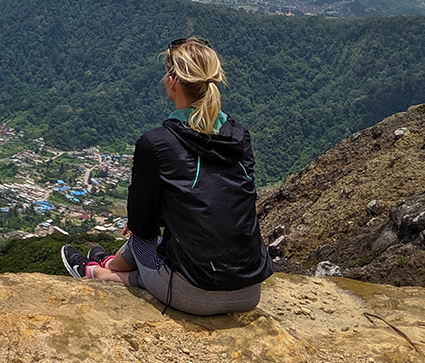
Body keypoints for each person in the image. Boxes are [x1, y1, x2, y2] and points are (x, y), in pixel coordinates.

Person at [61, 37, 273, 315]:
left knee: (143, 241)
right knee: (158, 244)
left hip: (196, 294)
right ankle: (108, 265)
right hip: (249, 289)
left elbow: (143, 225)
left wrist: (144, 223)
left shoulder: (157, 143)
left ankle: (100, 271)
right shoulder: (238, 135)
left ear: (173, 81)